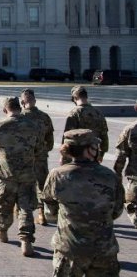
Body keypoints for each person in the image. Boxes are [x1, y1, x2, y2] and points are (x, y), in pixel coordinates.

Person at [43, 129, 125, 275]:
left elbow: (50, 209)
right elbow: (117, 210)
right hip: (103, 249)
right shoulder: (109, 176)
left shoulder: (57, 175)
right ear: (89, 150)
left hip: (70, 248)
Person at [0, 96, 43, 257]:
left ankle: (2, 231)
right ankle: (26, 241)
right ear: (20, 107)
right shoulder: (33, 125)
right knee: (26, 208)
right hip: (27, 174)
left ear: (5, 110)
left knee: (4, 204)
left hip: (6, 174)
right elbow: (40, 148)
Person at [19, 89, 55, 225]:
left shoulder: (20, 117)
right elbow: (50, 139)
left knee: (23, 185)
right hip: (40, 157)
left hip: (23, 159)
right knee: (42, 185)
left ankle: (22, 212)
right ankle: (42, 213)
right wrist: (44, 150)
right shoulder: (44, 117)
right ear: (35, 101)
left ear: (22, 102)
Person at [63, 86, 108, 163]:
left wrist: (64, 158)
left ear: (75, 98)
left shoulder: (74, 114)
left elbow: (68, 138)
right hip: (93, 154)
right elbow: (104, 136)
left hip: (77, 157)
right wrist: (101, 154)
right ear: (86, 97)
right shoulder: (98, 113)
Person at [114, 101, 137, 228]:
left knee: (132, 206)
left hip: (135, 179)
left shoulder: (130, 130)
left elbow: (121, 156)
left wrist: (117, 177)